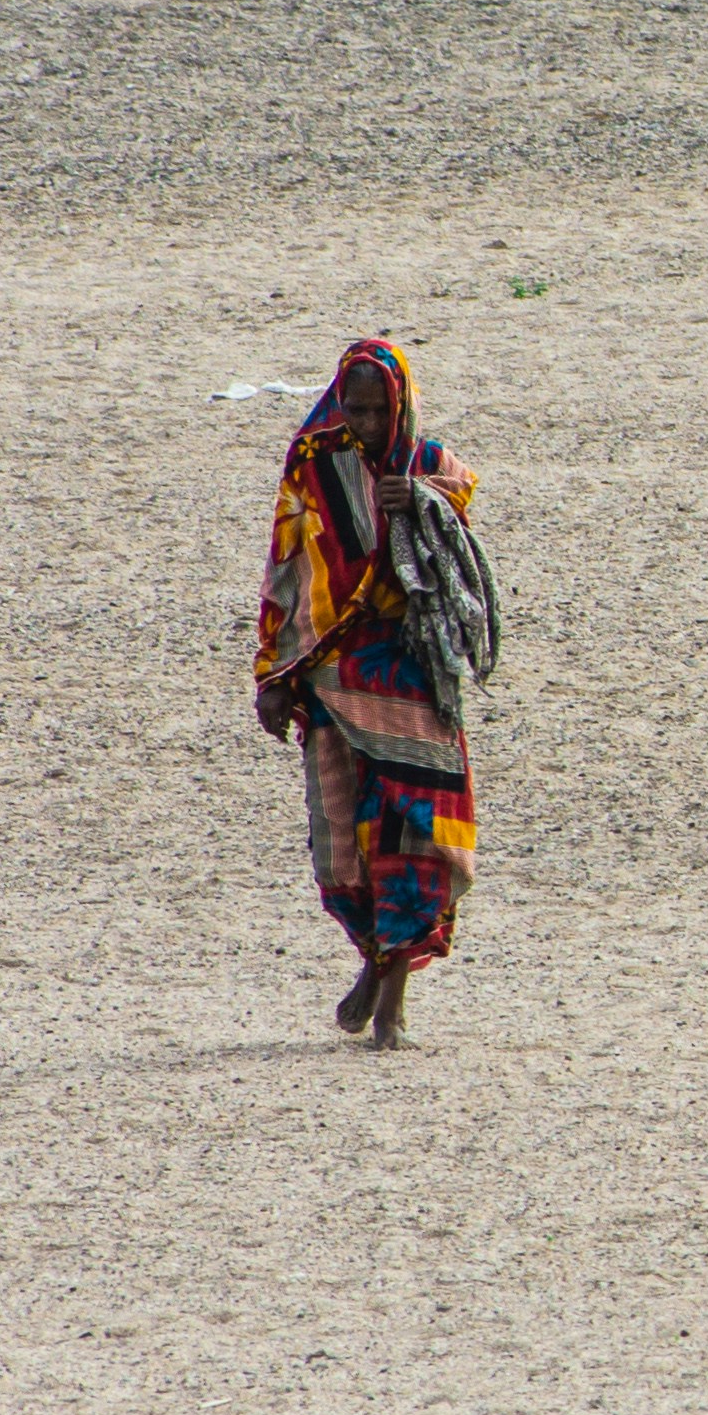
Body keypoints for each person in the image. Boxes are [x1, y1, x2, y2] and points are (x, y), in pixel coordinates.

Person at [251, 337, 481, 1045]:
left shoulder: (428, 464)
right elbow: (289, 570)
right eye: (357, 409)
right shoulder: (314, 466)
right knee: (345, 843)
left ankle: (393, 1003)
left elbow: (462, 498)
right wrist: (272, 675)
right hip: (331, 677)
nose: (370, 423)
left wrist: (420, 497)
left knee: (415, 836)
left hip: (410, 677)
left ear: (402, 404)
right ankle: (373, 966)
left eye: (381, 410)